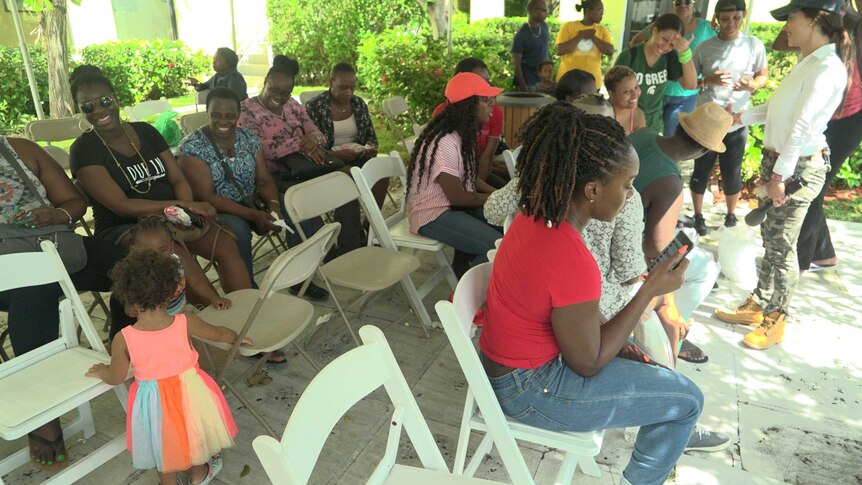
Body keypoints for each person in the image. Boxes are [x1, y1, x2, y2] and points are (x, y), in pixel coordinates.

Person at [481, 101, 703, 485]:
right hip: (532, 390)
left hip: (509, 368)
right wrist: (651, 288)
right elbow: (588, 363)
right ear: (593, 189)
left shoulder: (535, 217)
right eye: (627, 185)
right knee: (686, 401)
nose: (630, 195)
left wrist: (619, 340)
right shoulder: (571, 255)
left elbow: (570, 312)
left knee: (651, 369)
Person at [715, 0, 852, 350]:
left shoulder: (827, 67)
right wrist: (740, 118)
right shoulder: (810, 62)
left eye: (792, 17)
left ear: (814, 19)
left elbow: (802, 127)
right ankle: (759, 302)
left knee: (782, 247)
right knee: (771, 239)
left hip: (797, 169)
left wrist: (779, 177)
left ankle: (776, 319)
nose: (787, 25)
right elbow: (780, 110)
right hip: (783, 164)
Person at [0, 135, 128, 471]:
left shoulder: (20, 149)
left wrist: (54, 213)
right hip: (7, 271)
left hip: (53, 245)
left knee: (134, 270)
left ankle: (124, 350)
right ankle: (45, 412)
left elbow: (74, 202)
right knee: (35, 291)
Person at [69, 72, 253, 296]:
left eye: (104, 101)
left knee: (225, 243)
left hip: (173, 216)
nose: (98, 110)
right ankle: (216, 317)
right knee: (170, 253)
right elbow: (122, 206)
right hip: (124, 227)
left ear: (115, 98)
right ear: (80, 110)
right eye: (88, 106)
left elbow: (177, 179)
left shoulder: (146, 132)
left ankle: (246, 308)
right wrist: (181, 206)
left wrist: (184, 211)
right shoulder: (84, 149)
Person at [85, 250, 241, 485]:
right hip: (192, 393)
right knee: (194, 433)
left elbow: (116, 377)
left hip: (154, 403)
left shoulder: (124, 338)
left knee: (162, 446)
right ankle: (199, 475)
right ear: (170, 293)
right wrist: (237, 337)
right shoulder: (186, 322)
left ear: (128, 301)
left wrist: (101, 371)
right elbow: (219, 333)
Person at [239, 55, 361, 276]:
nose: (279, 97)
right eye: (274, 90)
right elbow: (257, 147)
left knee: (348, 181)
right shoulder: (246, 110)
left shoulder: (292, 105)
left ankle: (346, 250)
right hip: (272, 176)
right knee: (304, 202)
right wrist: (299, 144)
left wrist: (311, 141)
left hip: (305, 168)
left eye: (285, 93)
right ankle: (302, 274)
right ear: (265, 81)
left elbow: (319, 134)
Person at [177, 87, 283, 284]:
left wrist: (274, 206)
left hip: (251, 200)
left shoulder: (248, 138)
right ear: (207, 113)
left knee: (293, 203)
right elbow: (206, 197)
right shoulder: (192, 148)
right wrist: (253, 214)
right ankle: (246, 289)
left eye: (230, 116)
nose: (223, 121)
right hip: (215, 209)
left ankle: (302, 275)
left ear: (238, 115)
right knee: (237, 230)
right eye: (216, 115)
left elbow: (265, 180)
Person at [408, 72, 503, 276]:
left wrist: (500, 194)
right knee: (497, 247)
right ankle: (462, 295)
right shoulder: (445, 142)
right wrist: (498, 198)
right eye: (486, 101)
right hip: (433, 214)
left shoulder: (461, 134)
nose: (492, 105)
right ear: (469, 106)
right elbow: (458, 197)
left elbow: (468, 179)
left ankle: (464, 267)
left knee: (507, 230)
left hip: (452, 207)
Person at [689, 0, 769, 234]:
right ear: (717, 20)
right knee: (700, 171)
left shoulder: (754, 45)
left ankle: (731, 217)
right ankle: (698, 216)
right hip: (706, 123)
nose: (731, 23)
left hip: (736, 123)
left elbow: (762, 75)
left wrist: (752, 84)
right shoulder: (703, 48)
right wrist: (708, 81)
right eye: (725, 19)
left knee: (732, 172)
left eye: (736, 17)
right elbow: (689, 82)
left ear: (743, 16)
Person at [795, 0, 862, 271]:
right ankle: (823, 253)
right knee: (813, 186)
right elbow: (781, 42)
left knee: (810, 188)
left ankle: (797, 261)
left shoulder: (851, 24)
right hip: (833, 117)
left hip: (849, 119)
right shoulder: (828, 26)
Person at [632, 102, 732, 260]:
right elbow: (656, 250)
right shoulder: (671, 184)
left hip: (594, 227)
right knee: (706, 267)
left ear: (681, 126)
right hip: (624, 250)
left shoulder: (642, 133)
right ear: (704, 150)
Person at [630, 0, 717, 135]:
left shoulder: (706, 27)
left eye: (687, 2)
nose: (683, 5)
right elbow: (635, 42)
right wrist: (654, 38)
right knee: (645, 134)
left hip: (685, 95)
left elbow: (723, 42)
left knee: (670, 138)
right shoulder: (662, 27)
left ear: (694, 5)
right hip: (658, 91)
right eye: (678, 2)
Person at [306, 63, 386, 207]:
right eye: (343, 87)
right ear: (331, 82)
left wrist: (369, 149)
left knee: (381, 172)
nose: (349, 93)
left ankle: (371, 227)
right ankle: (350, 228)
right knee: (350, 176)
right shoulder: (315, 107)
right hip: (328, 161)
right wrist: (335, 155)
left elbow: (371, 137)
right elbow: (311, 148)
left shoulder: (358, 104)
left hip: (357, 156)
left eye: (352, 88)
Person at [615, 13, 698, 133]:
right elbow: (614, 92)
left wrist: (684, 52)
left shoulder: (670, 57)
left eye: (672, 44)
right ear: (654, 31)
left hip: (654, 127)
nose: (665, 47)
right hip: (628, 126)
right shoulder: (629, 56)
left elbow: (690, 85)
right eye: (664, 39)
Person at [432, 58, 507, 189]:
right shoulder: (444, 119)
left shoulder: (493, 112)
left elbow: (487, 157)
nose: (486, 86)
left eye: (487, 81)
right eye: (478, 81)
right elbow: (457, 194)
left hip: (477, 174)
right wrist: (479, 196)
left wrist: (480, 190)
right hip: (450, 183)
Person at [555, 0, 615, 87]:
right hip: (567, 82)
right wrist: (581, 35)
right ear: (588, 10)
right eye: (600, 10)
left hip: (592, 83)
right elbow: (560, 50)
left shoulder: (602, 30)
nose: (602, 14)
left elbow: (610, 51)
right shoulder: (569, 26)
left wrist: (593, 37)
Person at [511, 0, 550, 92]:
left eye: (546, 10)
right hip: (528, 81)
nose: (546, 13)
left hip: (542, 80)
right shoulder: (521, 34)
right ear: (531, 11)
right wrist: (523, 85)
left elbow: (545, 51)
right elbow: (517, 64)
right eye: (543, 10)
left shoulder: (544, 26)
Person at [605, 65, 647, 135]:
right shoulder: (600, 114)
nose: (635, 94)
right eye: (626, 91)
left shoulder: (638, 115)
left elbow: (640, 144)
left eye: (636, 87)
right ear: (611, 93)